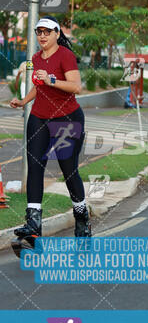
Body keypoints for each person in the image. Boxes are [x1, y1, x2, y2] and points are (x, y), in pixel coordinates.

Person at [10, 16, 91, 239]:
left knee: (68, 170)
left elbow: (76, 87)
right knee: (35, 166)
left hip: (67, 118)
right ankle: (33, 225)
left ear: (57, 33)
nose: (43, 36)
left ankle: (82, 216)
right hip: (39, 118)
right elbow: (39, 87)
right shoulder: (36, 57)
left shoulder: (66, 56)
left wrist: (51, 80)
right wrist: (24, 101)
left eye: (47, 31)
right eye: (39, 32)